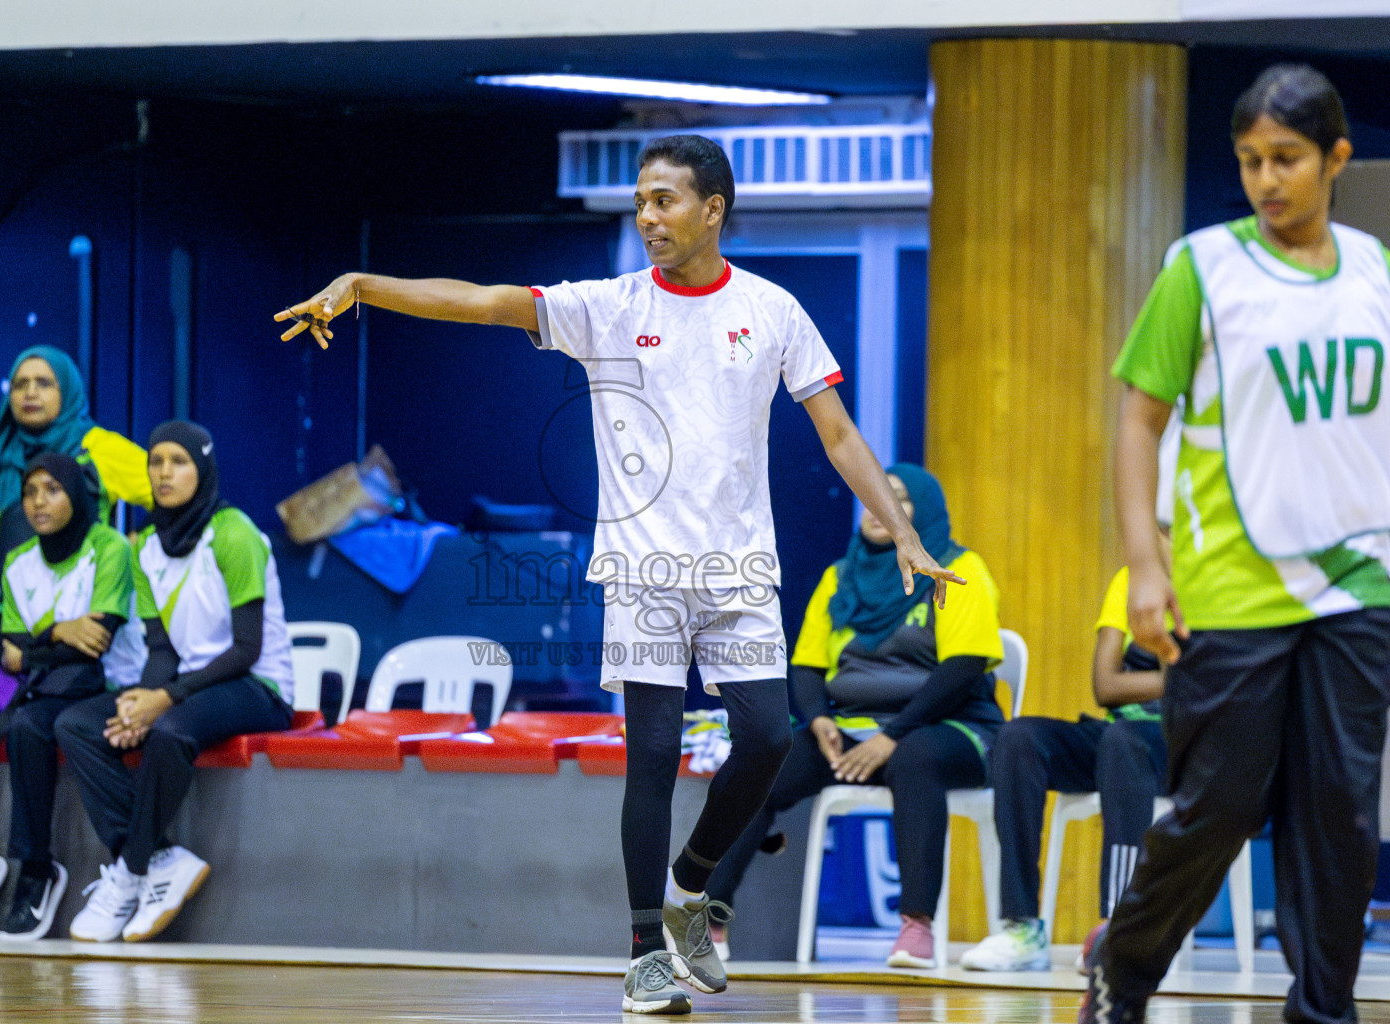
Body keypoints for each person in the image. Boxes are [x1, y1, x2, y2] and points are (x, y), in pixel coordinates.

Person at [276, 135, 961, 1015]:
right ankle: (644, 950)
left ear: (713, 209)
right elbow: (481, 303)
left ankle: (690, 887)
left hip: (740, 568)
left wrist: (902, 531)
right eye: (640, 202)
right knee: (653, 754)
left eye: (665, 201)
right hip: (641, 567)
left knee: (766, 739)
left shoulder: (773, 309)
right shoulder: (605, 305)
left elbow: (837, 433)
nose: (647, 217)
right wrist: (365, 287)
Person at [1081, 65, 1390, 1024]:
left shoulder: (1376, 270)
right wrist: (1145, 563)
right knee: (1215, 811)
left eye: (1287, 159)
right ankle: (1122, 971)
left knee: (1340, 816)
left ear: (1336, 159)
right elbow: (1139, 423)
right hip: (1230, 589)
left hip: (1358, 585)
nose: (1267, 179)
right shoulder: (1202, 267)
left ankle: (1322, 1011)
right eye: (1252, 160)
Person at [701, 465, 1004, 970]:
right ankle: (707, 917)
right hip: (853, 731)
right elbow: (807, 664)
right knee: (763, 759)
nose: (879, 508)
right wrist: (818, 719)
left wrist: (894, 735)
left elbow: (964, 670)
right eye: (871, 496)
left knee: (916, 758)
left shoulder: (956, 568)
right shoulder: (840, 577)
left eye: (899, 500)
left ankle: (916, 926)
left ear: (923, 513)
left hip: (952, 728)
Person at [56, 421, 294, 944]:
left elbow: (246, 648)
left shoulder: (233, 533)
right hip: (189, 683)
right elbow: (161, 651)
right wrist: (140, 702)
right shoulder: (146, 551)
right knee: (77, 724)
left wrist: (163, 702)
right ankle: (161, 859)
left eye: (178, 461)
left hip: (257, 686)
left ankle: (130, 871)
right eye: (156, 461)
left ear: (203, 468)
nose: (164, 472)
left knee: (170, 732)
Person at [0, 453, 144, 940]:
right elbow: (11, 656)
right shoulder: (17, 563)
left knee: (31, 724)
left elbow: (97, 642)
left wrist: (38, 646)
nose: (39, 502)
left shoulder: (110, 549)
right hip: (40, 686)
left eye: (52, 490)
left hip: (105, 685)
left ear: (76, 496)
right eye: (31, 492)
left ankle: (36, 870)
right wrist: (59, 631)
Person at [960, 553, 1168, 972]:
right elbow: (1105, 686)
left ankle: (1119, 925)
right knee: (1019, 738)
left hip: (1188, 745)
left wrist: (1173, 681)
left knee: (1123, 741)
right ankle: (1021, 927)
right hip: (1119, 738)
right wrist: (1183, 678)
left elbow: (1220, 686)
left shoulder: (1219, 580)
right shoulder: (1133, 578)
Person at [0, 345, 152, 585]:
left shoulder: (98, 447)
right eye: (20, 384)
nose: (30, 392)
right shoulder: (2, 454)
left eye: (44, 383)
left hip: (79, 607)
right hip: (3, 608)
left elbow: (176, 495)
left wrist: (137, 548)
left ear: (68, 390)